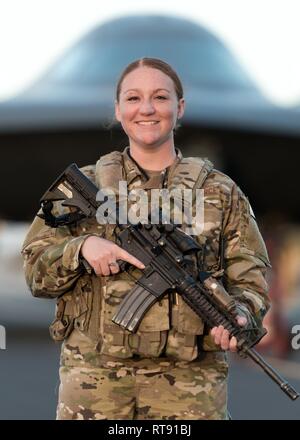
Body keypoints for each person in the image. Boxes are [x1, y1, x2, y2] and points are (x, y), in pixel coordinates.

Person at [21, 57, 271, 420]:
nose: (147, 109)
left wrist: (243, 313)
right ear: (119, 109)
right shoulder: (85, 187)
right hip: (95, 383)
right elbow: (34, 270)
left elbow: (250, 277)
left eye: (160, 97)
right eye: (134, 98)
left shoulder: (220, 193)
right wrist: (81, 249)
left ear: (179, 107)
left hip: (189, 387)